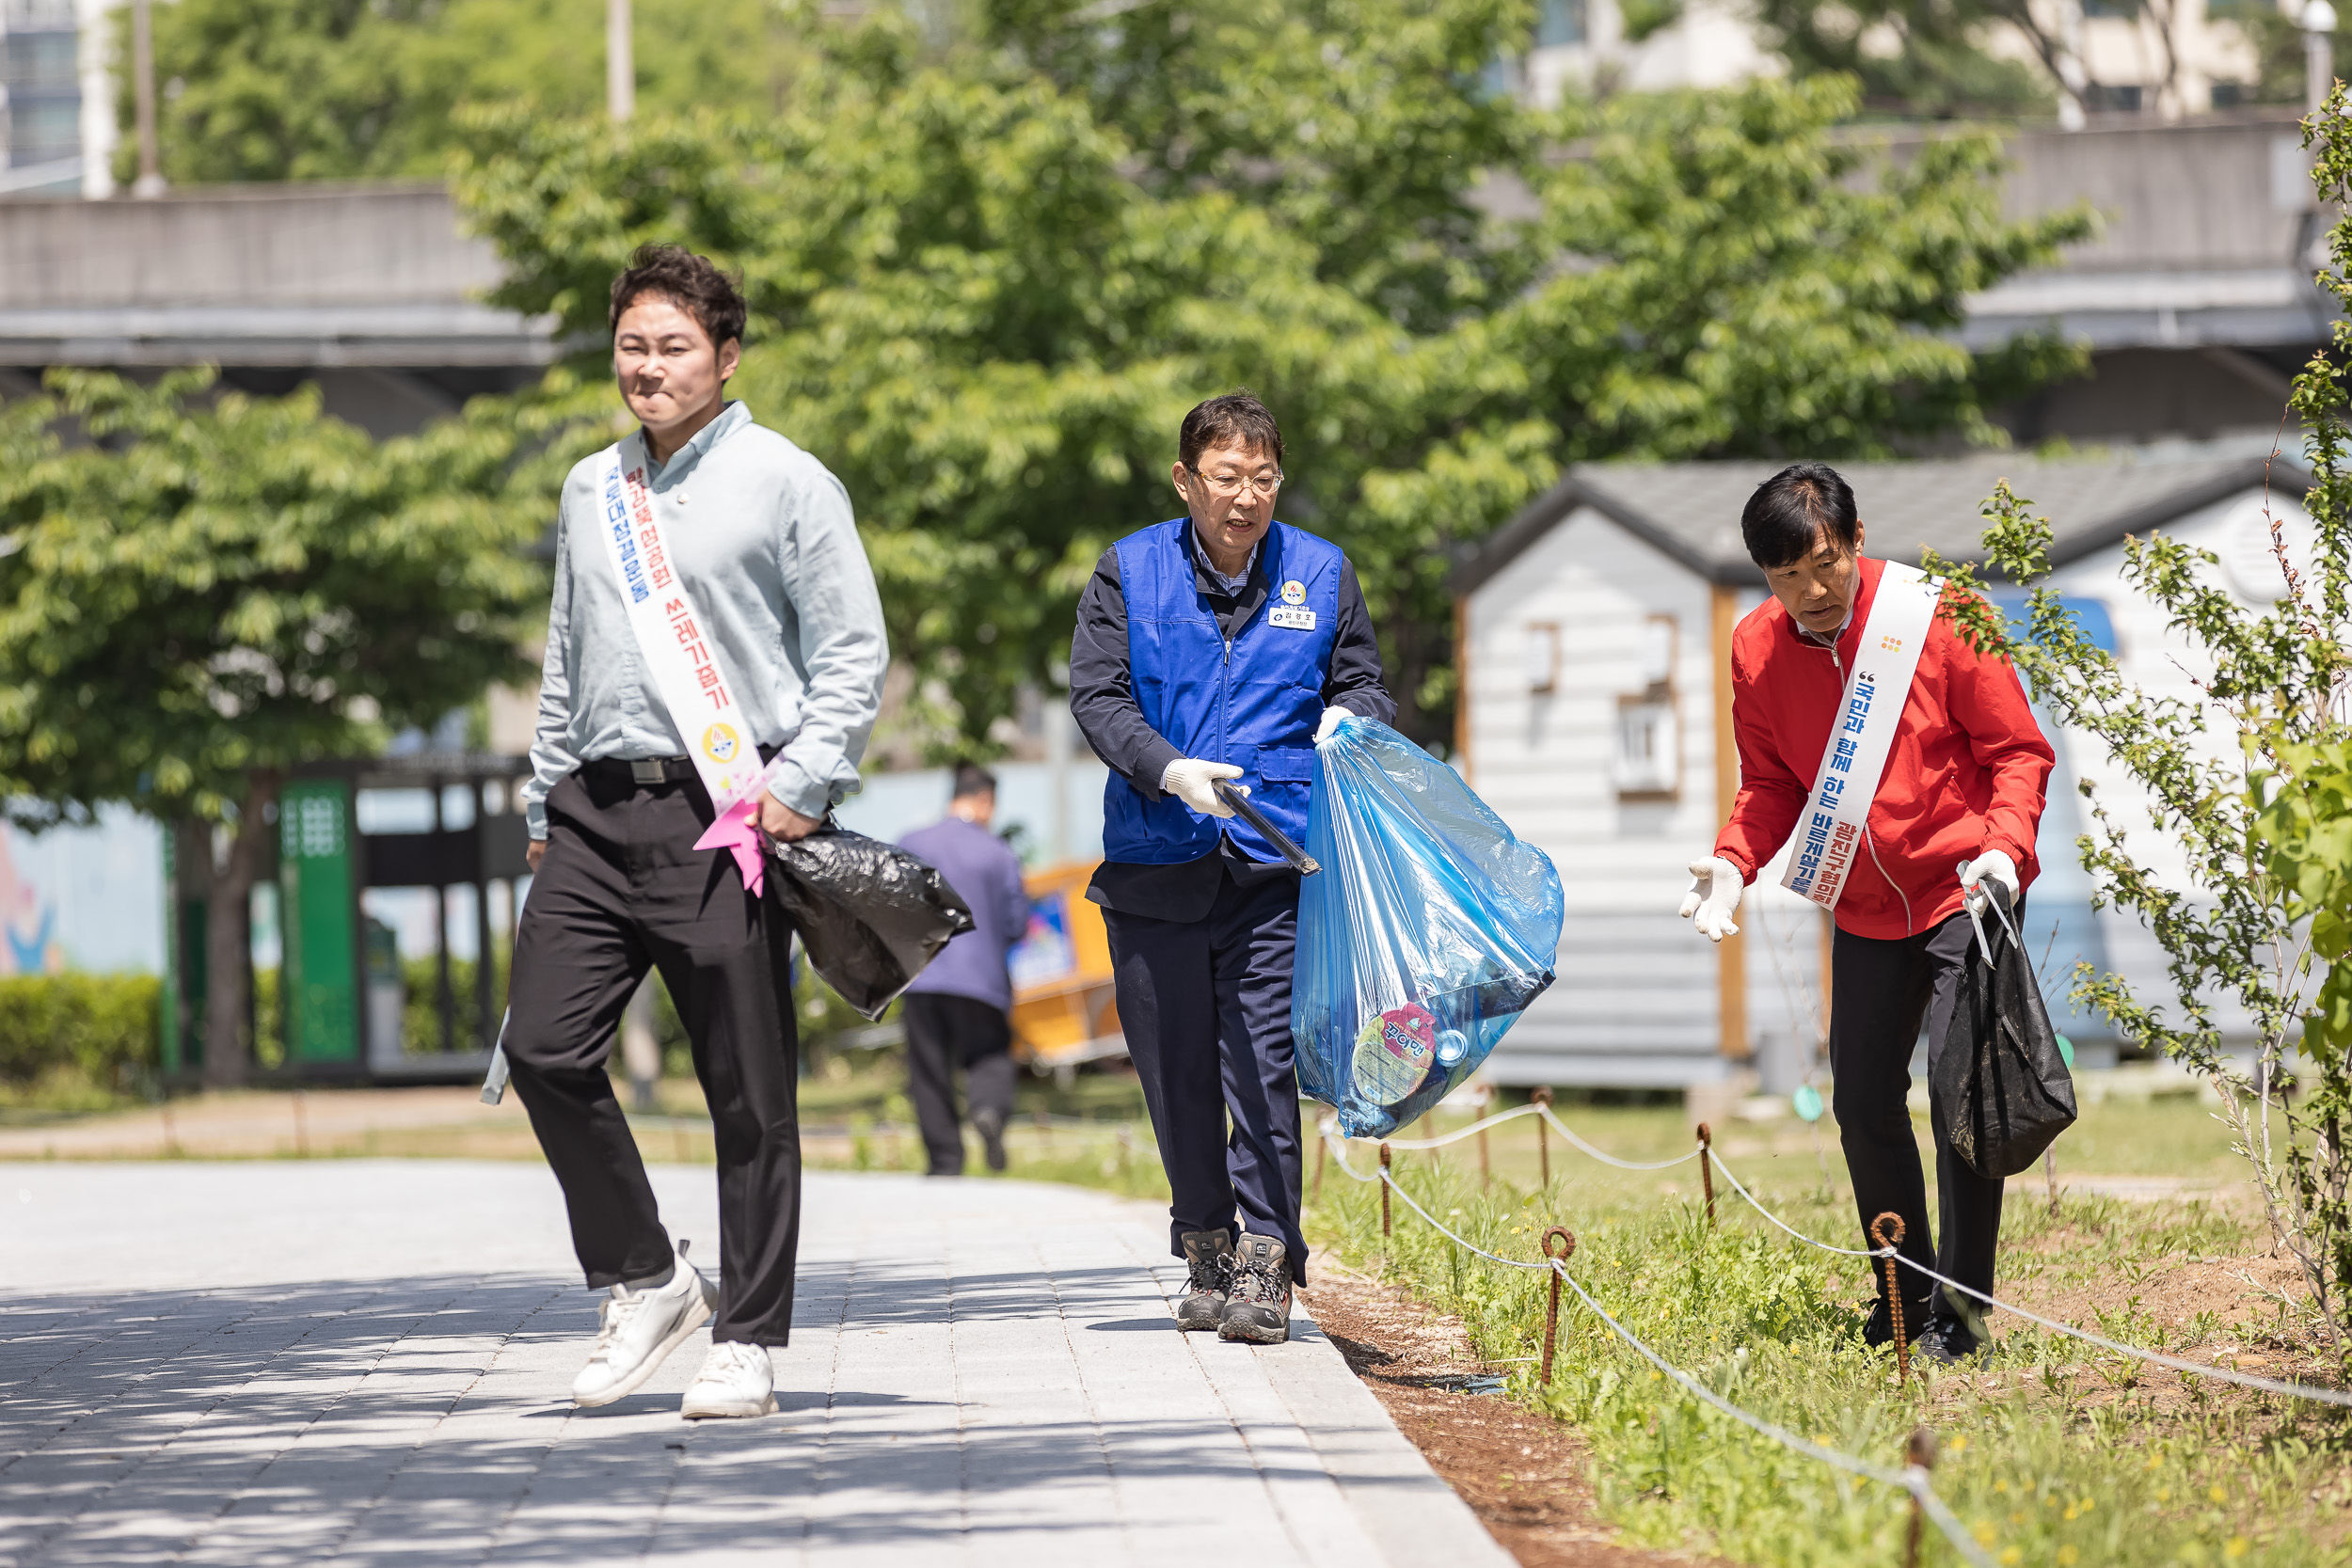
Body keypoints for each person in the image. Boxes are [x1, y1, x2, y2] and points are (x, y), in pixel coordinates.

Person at [508, 244, 886, 1419]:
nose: (649, 368)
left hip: (726, 811)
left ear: (726, 357)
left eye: (674, 347)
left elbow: (850, 654)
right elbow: (566, 656)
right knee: (543, 1050)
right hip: (591, 813)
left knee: (746, 1085)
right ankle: (646, 1275)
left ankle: (749, 1336)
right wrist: (541, 798)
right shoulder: (589, 489)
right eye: (632, 345)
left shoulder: (787, 480)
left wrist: (804, 785)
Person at [1679, 461, 2052, 1364]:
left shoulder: (1938, 613)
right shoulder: (1756, 649)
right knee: (1862, 1105)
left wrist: (2006, 846)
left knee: (1964, 1093)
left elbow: (2017, 751)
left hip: (1965, 887)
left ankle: (1961, 1316)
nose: (1809, 592)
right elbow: (1770, 784)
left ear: (1854, 541)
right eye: (1784, 576)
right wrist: (1733, 864)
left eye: (1824, 565)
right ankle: (1902, 1292)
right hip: (1866, 907)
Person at [1070, 389, 1393, 1345]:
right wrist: (1167, 769)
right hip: (1154, 856)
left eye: (1262, 478)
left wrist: (1353, 721)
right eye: (1225, 478)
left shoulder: (1322, 573)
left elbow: (1363, 679)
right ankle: (1205, 1241)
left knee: (1261, 1063)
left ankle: (1266, 1256)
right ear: (1185, 480)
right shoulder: (1128, 570)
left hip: (1270, 860)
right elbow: (1098, 694)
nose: (1244, 497)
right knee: (1172, 1069)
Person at [898, 764, 1030, 1176]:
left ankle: (944, 1160)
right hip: (982, 977)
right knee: (988, 1055)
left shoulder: (911, 842)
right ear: (985, 800)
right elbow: (1015, 923)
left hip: (920, 975)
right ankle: (988, 1110)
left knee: (929, 1068)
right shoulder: (999, 853)